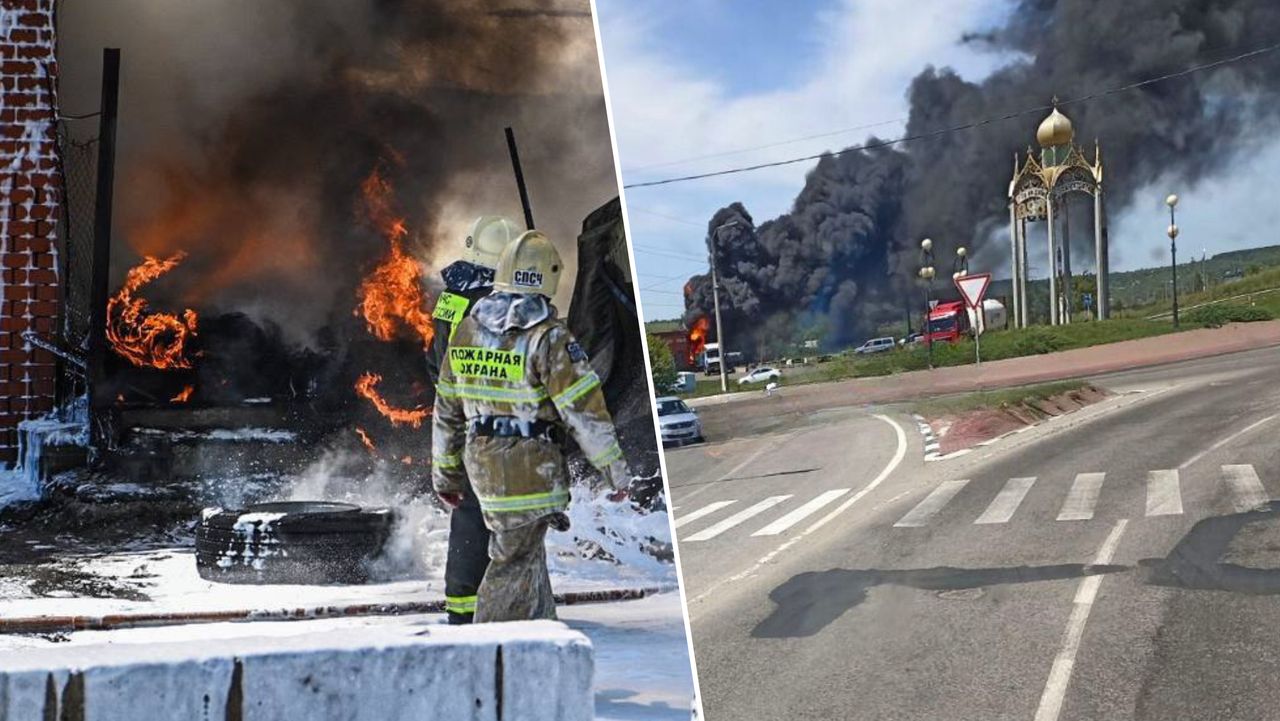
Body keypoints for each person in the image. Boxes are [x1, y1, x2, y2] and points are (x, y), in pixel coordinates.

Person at [431, 229, 631, 622]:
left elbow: (446, 411)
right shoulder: (549, 336)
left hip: (481, 466)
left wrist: (446, 475)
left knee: (526, 556)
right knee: (513, 562)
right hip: (528, 470)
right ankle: (491, 651)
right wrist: (615, 472)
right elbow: (584, 411)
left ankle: (546, 643)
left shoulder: (467, 331)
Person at [426, 215, 520, 625]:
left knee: (468, 516)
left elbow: (434, 360)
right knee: (509, 518)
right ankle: (504, 608)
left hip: (459, 419)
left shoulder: (450, 297)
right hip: (497, 425)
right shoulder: (500, 305)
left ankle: (464, 606)